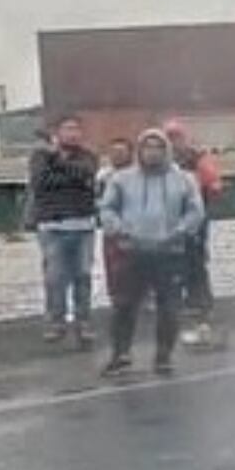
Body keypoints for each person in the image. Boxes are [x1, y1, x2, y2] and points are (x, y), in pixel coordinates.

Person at [98, 130, 205, 377]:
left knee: (169, 306)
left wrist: (180, 231)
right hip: (132, 251)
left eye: (158, 147)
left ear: (166, 150)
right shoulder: (122, 179)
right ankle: (121, 354)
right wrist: (120, 231)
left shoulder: (184, 179)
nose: (152, 152)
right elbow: (107, 209)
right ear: (139, 150)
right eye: (147, 147)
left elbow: (195, 211)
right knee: (124, 304)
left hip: (170, 252)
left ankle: (163, 356)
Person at [29, 114, 100, 347]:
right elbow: (41, 182)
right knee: (54, 277)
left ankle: (84, 322)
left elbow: (84, 174)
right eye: (67, 128)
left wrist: (57, 161)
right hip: (52, 225)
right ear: (57, 132)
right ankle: (56, 322)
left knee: (83, 275)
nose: (73, 133)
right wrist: (64, 171)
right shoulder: (39, 156)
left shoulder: (88, 156)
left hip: (83, 224)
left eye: (76, 128)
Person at [164, 119, 223, 325]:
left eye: (176, 136)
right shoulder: (162, 161)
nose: (173, 141)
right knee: (172, 260)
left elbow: (214, 184)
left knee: (195, 259)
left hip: (195, 217)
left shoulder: (196, 158)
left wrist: (206, 205)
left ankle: (200, 300)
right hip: (168, 218)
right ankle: (177, 299)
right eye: (169, 137)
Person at [96, 136, 135, 310]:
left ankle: (142, 296)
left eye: (121, 152)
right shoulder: (103, 175)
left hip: (137, 227)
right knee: (113, 265)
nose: (117, 156)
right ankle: (116, 298)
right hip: (111, 227)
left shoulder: (139, 174)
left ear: (130, 154)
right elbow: (96, 198)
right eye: (114, 152)